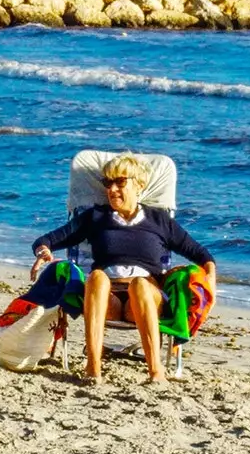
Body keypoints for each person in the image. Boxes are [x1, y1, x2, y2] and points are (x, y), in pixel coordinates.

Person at [30, 153, 216, 384]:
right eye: (108, 183)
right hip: (108, 298)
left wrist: (210, 281)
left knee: (140, 284)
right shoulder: (95, 217)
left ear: (139, 185)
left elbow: (202, 255)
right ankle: (93, 368)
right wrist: (43, 252)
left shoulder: (159, 221)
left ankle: (156, 372)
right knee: (96, 276)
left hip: (147, 297)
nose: (112, 189)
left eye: (120, 182)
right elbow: (47, 239)